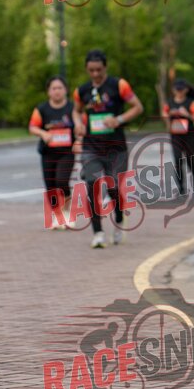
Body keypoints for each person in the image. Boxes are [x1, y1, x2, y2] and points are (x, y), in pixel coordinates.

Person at [73, 50, 144, 248]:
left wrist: (118, 119)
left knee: (113, 187)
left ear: (105, 67)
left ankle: (119, 218)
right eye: (91, 70)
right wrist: (78, 123)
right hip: (91, 147)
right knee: (92, 184)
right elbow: (76, 111)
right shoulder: (82, 90)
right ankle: (98, 233)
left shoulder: (118, 85)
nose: (95, 74)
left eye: (99, 70)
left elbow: (138, 107)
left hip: (115, 147)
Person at [29, 76, 76, 229]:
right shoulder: (42, 109)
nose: (57, 91)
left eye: (60, 88)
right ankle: (57, 216)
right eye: (53, 88)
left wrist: (80, 140)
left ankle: (67, 213)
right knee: (50, 186)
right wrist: (43, 133)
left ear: (65, 90)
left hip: (67, 152)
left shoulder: (72, 108)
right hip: (48, 152)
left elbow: (82, 125)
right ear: (48, 91)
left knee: (61, 181)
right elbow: (32, 127)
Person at [162, 79, 194, 195]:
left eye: (181, 89)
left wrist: (187, 114)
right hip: (176, 135)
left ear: (186, 90)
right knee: (177, 160)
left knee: (190, 160)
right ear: (173, 90)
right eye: (177, 89)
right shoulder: (169, 102)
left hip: (189, 135)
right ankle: (181, 188)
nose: (179, 92)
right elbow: (164, 114)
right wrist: (169, 115)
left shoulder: (191, 103)